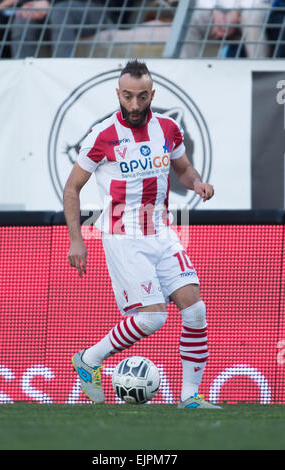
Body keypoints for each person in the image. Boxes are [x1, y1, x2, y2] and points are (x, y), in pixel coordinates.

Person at [63, 59, 221, 409]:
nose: (135, 106)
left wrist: (197, 183)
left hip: (161, 229)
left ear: (153, 94)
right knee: (152, 316)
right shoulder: (101, 135)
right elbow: (72, 188)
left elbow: (183, 169)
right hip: (123, 231)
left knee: (195, 311)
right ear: (118, 94)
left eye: (142, 97)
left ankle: (189, 397)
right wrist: (76, 240)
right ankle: (89, 360)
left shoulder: (167, 128)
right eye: (129, 97)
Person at [10, 0, 112, 58]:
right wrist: (31, 4)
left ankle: (61, 69)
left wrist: (49, 3)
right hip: (50, 10)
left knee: (60, 11)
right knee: (22, 20)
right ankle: (25, 78)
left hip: (93, 8)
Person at [180, 0, 271, 59]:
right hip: (216, 9)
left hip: (253, 6)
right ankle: (186, 67)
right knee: (190, 19)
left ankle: (258, 69)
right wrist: (214, 12)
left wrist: (235, 13)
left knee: (251, 17)